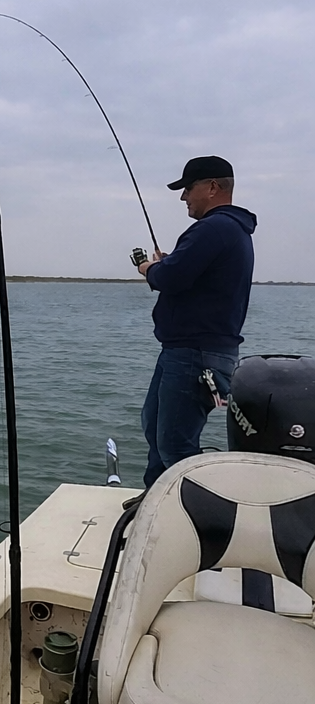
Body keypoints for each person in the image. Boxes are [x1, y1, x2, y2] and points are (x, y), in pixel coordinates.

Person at [137, 156, 257, 488]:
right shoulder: (229, 230)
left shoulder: (215, 227)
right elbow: (187, 274)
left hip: (195, 354)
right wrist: (172, 265)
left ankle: (187, 515)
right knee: (154, 425)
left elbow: (172, 278)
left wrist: (150, 269)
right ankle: (155, 501)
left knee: (175, 444)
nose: (183, 197)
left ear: (213, 187)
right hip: (184, 350)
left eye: (188, 188)